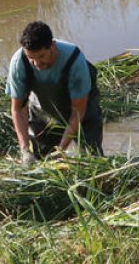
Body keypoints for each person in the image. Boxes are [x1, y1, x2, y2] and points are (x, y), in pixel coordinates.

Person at [6, 21, 104, 164]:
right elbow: (18, 109)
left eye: (41, 57)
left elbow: (78, 112)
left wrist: (61, 149)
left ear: (52, 46)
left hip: (82, 112)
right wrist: (25, 149)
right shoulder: (19, 62)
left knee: (91, 160)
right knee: (41, 159)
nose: (36, 64)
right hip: (43, 111)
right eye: (31, 58)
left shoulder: (74, 61)